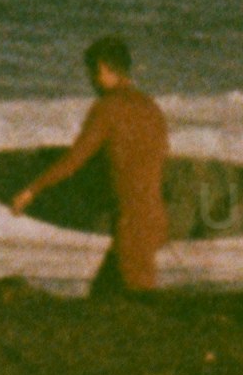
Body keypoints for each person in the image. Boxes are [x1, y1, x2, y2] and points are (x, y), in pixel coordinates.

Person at [11, 33, 171, 297]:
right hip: (155, 219)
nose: (91, 81)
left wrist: (31, 190)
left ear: (105, 69)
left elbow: (74, 160)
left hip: (131, 225)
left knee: (142, 304)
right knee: (100, 296)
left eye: (93, 73)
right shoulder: (152, 107)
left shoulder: (108, 107)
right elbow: (156, 158)